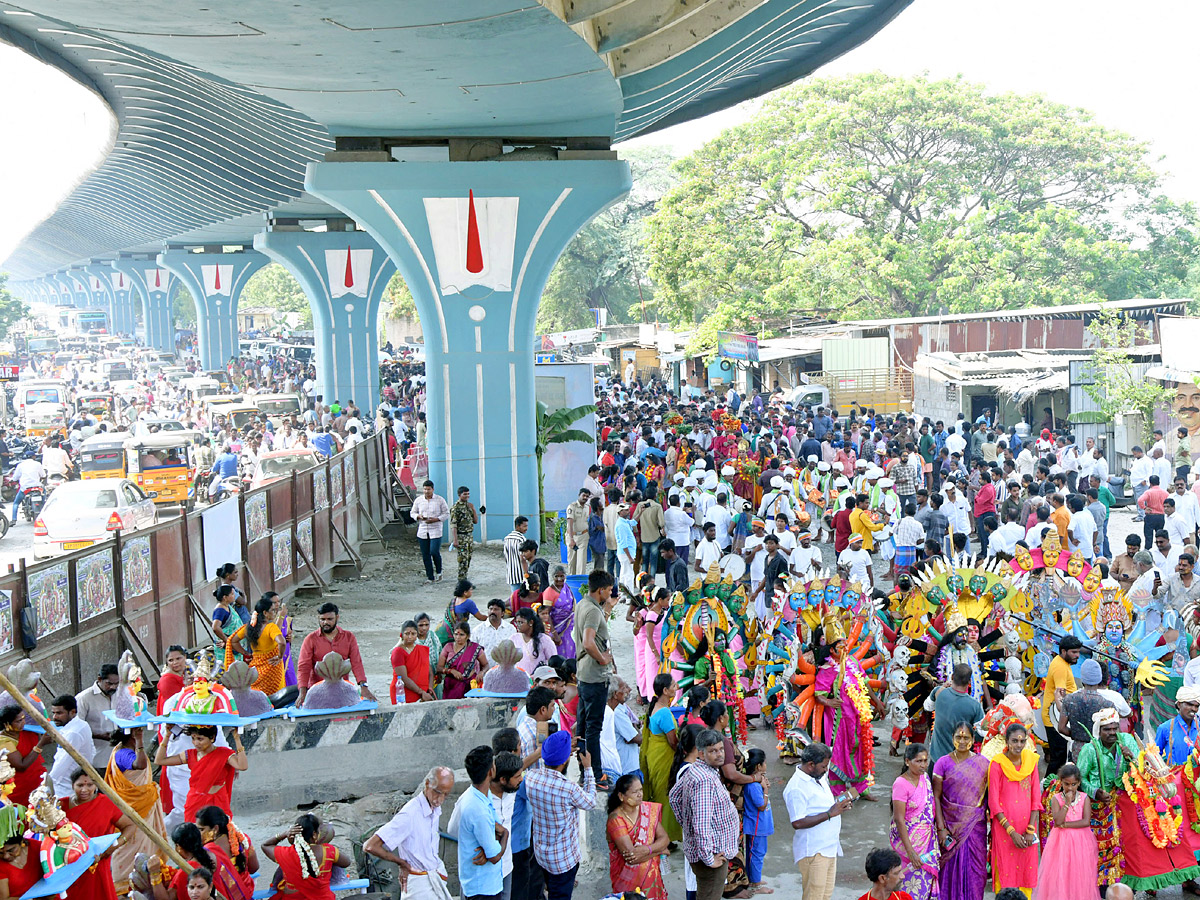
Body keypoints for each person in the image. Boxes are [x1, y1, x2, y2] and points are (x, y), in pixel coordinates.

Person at [363, 767, 454, 900]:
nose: (440, 799)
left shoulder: (434, 807)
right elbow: (370, 846)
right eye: (437, 792)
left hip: (434, 878)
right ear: (428, 784)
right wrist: (401, 863)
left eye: (445, 795)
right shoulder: (410, 814)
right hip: (419, 885)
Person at [669, 729, 740, 900]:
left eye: (721, 749)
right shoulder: (704, 780)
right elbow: (701, 823)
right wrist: (709, 858)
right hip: (711, 856)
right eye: (713, 751)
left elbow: (673, 797)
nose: (719, 755)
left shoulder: (698, 770)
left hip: (708, 850)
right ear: (701, 753)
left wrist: (687, 827)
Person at [526, 730, 596, 900]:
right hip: (563, 861)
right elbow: (591, 801)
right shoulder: (568, 788)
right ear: (566, 760)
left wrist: (562, 752)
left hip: (541, 854)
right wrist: (588, 768)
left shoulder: (530, 778)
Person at [783, 742, 849, 900]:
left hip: (829, 847)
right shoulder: (796, 788)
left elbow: (822, 804)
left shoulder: (817, 776)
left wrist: (839, 803)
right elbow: (797, 822)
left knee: (825, 895)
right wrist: (829, 814)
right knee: (814, 896)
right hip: (814, 850)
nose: (826, 770)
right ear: (811, 765)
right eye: (824, 766)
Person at [58, 768, 136, 900]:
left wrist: (115, 845)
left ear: (97, 785)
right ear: (72, 786)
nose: (85, 790)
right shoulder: (61, 806)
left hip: (97, 861)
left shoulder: (106, 803)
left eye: (90, 785)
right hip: (68, 864)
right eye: (80, 785)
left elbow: (130, 825)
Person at [930, 721, 987, 900]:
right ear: (952, 738)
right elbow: (936, 798)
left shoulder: (983, 764)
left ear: (973, 739)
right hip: (949, 828)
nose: (962, 741)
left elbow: (988, 798)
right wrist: (941, 828)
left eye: (966, 737)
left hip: (975, 829)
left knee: (976, 872)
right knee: (949, 871)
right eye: (958, 737)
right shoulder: (942, 763)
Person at [987, 723, 1040, 896]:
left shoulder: (1031, 762)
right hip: (1004, 830)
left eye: (1022, 741)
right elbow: (994, 803)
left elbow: (1035, 799)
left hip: (1027, 829)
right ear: (1006, 741)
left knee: (1026, 871)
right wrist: (1011, 831)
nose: (1018, 745)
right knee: (1004, 871)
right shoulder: (997, 764)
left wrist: (1030, 830)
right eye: (1014, 741)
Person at [153, 724, 247, 822]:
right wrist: (167, 736)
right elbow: (159, 761)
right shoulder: (190, 755)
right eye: (193, 738)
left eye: (200, 739)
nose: (196, 743)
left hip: (218, 800)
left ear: (212, 738)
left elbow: (242, 766)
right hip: (195, 802)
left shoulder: (224, 754)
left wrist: (237, 740)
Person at [575, 569, 617, 790]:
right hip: (594, 676)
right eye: (609, 591)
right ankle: (596, 774)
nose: (610, 594)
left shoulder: (583, 604)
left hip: (584, 674)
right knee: (593, 728)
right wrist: (603, 660)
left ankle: (584, 772)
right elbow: (590, 642)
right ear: (600, 590)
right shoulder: (591, 611)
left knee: (583, 727)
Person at [1034, 763, 1099, 900]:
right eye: (1066, 784)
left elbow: (1086, 821)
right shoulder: (1056, 799)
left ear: (1079, 783)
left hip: (1082, 841)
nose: (1070, 788)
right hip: (1061, 842)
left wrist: (1066, 825)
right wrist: (1067, 804)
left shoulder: (1084, 797)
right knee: (1063, 873)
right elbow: (1057, 821)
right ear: (1061, 782)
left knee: (1080, 875)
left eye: (1074, 784)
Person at [296, 603, 376, 707]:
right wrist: (302, 692)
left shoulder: (348, 637)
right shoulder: (310, 639)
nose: (326, 622)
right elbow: (303, 667)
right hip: (317, 692)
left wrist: (363, 687)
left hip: (342, 691)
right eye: (322, 619)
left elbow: (356, 663)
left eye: (330, 619)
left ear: (337, 617)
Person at [606, 772, 669, 900]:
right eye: (635, 792)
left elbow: (665, 838)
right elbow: (632, 858)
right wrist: (659, 850)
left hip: (652, 877)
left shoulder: (647, 809)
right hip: (628, 880)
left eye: (641, 789)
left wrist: (647, 850)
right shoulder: (616, 819)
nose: (640, 794)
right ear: (621, 796)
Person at [262, 813, 351, 900]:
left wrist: (283, 834)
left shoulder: (285, 853)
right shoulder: (329, 851)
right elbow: (346, 862)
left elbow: (265, 845)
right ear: (315, 834)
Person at [457, 746, 507, 900]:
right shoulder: (478, 808)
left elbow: (494, 831)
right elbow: (494, 856)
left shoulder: (477, 796)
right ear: (490, 772)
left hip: (482, 884)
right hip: (483, 889)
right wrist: (505, 834)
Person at [889, 744, 938, 900]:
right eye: (918, 761)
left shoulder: (925, 778)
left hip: (927, 842)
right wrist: (910, 851)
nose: (923, 765)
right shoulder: (901, 784)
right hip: (909, 843)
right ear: (907, 761)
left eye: (925, 760)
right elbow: (899, 819)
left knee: (924, 885)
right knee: (909, 885)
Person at [225, 592, 287, 694]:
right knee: (274, 699)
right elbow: (282, 643)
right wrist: (280, 656)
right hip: (272, 668)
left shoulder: (249, 627)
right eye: (272, 610)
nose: (275, 613)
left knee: (256, 696)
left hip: (256, 669)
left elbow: (233, 641)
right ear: (265, 613)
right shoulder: (271, 627)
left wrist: (246, 653)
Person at [196, 805, 257, 900]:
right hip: (247, 893)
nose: (198, 833)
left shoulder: (208, 851)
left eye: (201, 829)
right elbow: (254, 868)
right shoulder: (243, 838)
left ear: (215, 829)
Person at [926, 665, 984, 765]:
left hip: (936, 760)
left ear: (952, 677)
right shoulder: (975, 706)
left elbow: (928, 707)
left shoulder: (939, 692)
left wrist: (942, 688)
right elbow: (983, 733)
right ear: (969, 682)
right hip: (959, 764)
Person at [1041, 635, 1080, 775]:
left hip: (1056, 717)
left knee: (1060, 756)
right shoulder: (1060, 667)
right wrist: (1065, 720)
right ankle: (1046, 788)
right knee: (1058, 757)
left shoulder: (1062, 662)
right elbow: (1060, 696)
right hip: (1055, 719)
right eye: (1073, 652)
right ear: (1063, 651)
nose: (1077, 655)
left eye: (1078, 652)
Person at [47, 695, 96, 800]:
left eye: (59, 713)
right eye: (54, 713)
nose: (55, 717)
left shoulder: (74, 733)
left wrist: (46, 785)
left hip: (67, 787)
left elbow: (62, 764)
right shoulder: (81, 724)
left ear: (73, 712)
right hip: (72, 783)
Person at [742, 748, 774, 895]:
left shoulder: (756, 782)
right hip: (756, 825)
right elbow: (761, 805)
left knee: (757, 852)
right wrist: (765, 790)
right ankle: (755, 884)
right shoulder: (754, 785)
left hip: (760, 825)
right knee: (756, 853)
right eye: (764, 762)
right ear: (758, 766)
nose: (766, 765)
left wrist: (765, 787)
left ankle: (755, 878)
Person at [437, 622, 489, 700]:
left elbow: (486, 665)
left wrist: (482, 672)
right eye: (456, 634)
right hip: (451, 686)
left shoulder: (475, 648)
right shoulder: (448, 647)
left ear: (468, 636)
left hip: (470, 685)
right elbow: (439, 667)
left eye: (461, 635)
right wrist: (451, 671)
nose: (458, 637)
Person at [412, 480, 450, 584]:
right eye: (425, 489)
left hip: (436, 530)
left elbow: (446, 513)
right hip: (423, 530)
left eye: (428, 489)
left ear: (433, 489)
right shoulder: (419, 500)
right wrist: (418, 516)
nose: (426, 491)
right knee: (425, 555)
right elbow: (413, 512)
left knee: (434, 551)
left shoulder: (439, 500)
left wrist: (436, 519)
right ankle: (430, 577)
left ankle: (439, 572)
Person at [75, 663, 120, 745]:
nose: (113, 687)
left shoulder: (120, 694)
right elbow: (76, 727)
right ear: (99, 679)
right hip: (95, 751)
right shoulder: (84, 698)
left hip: (118, 749)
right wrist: (100, 736)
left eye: (117, 683)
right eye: (109, 684)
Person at [1155, 683, 1200, 765]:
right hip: (1174, 776)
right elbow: (1155, 756)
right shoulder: (1165, 728)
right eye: (1189, 704)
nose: (1194, 709)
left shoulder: (1198, 727)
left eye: (1196, 706)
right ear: (1179, 704)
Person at [391, 620, 434, 703]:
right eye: (407, 634)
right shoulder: (398, 652)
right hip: (403, 692)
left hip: (423, 693)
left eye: (413, 634)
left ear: (417, 635)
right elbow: (403, 678)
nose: (410, 637)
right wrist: (421, 692)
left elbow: (430, 672)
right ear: (402, 635)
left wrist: (430, 688)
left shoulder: (422, 650)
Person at [449, 485, 480, 580]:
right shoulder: (456, 508)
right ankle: (461, 582)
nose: (467, 496)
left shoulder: (469, 506)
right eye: (465, 494)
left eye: (468, 494)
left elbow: (475, 521)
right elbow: (453, 525)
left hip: (469, 536)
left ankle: (464, 579)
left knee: (468, 559)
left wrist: (473, 509)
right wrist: (455, 540)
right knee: (462, 560)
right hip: (461, 537)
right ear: (459, 495)